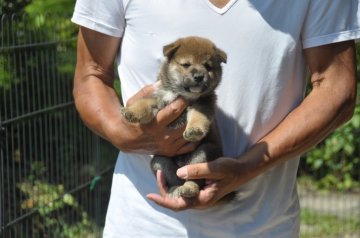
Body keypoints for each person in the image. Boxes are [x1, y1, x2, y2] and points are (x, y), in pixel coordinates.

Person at [71, 0, 359, 237]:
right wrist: (123, 133)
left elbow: (337, 87)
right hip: (143, 224)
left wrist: (249, 166)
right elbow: (91, 74)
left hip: (264, 226)